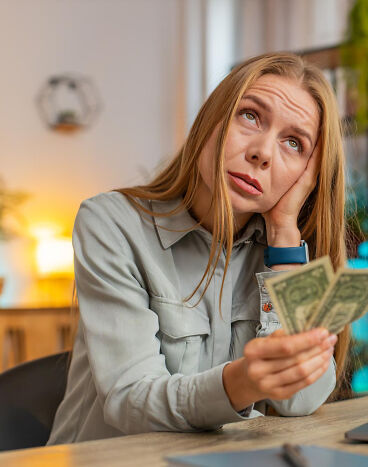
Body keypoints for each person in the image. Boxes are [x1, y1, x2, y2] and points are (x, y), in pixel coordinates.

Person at [47, 52, 351, 444]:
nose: (263, 152)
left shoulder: (281, 249)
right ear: (212, 119)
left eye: (293, 143)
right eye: (250, 116)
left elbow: (301, 399)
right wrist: (239, 383)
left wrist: (284, 231)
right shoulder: (110, 222)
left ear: (307, 176)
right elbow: (129, 400)